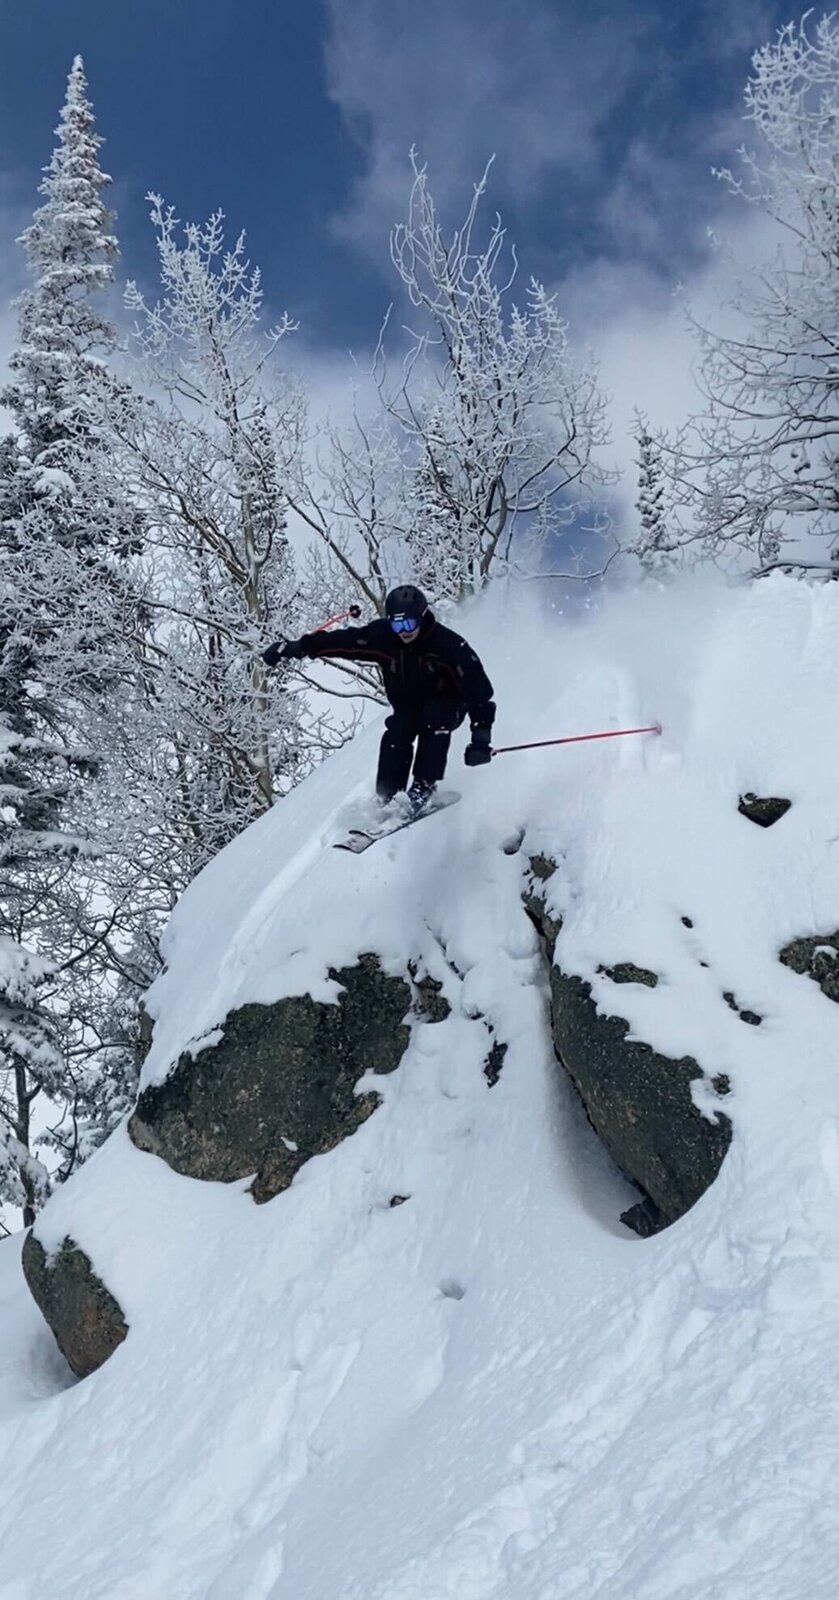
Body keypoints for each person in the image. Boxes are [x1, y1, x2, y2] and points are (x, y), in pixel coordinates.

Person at [263, 585, 495, 808]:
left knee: (434, 719)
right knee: (398, 730)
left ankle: (424, 787)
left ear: (422, 617)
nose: (404, 631)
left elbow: (480, 691)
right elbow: (344, 641)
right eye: (397, 624)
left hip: (448, 704)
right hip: (409, 704)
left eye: (409, 623)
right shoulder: (384, 638)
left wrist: (480, 738)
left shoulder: (448, 645)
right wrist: (296, 648)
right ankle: (387, 795)